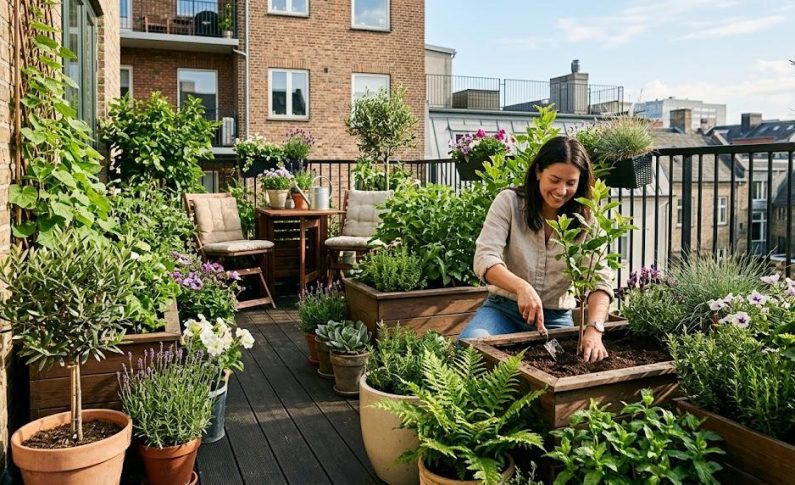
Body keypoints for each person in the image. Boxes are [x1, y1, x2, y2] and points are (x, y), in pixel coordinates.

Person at [458, 136, 613, 363]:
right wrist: (521, 288)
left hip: (554, 318)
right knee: (470, 352)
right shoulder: (509, 203)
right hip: (503, 310)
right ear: (539, 171)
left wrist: (595, 329)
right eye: (555, 179)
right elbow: (484, 258)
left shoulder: (587, 221)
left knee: (563, 369)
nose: (561, 190)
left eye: (571, 183)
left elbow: (600, 279)